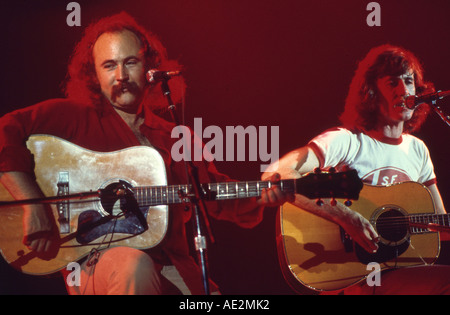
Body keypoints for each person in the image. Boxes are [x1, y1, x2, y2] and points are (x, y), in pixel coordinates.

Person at [0, 12, 290, 295]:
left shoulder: (177, 136)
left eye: (130, 62)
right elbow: (4, 131)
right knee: (135, 266)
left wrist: (263, 194)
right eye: (109, 66)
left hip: (170, 262)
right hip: (98, 260)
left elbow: (210, 193)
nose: (122, 76)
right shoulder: (74, 117)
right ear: (94, 74)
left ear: (149, 68)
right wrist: (33, 205)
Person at [262, 44, 450, 295]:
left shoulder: (417, 149)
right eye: (392, 82)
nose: (404, 90)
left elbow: (439, 225)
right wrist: (345, 217)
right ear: (371, 92)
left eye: (409, 81)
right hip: (356, 278)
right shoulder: (347, 141)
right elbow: (278, 173)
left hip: (401, 269)